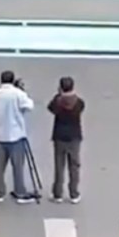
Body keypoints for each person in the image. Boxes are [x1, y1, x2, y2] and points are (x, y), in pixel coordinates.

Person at [0, 70, 36, 204]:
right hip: (16, 135)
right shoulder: (18, 94)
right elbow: (29, 106)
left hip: (0, 135)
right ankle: (20, 192)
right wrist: (22, 90)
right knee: (18, 166)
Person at [47, 76, 85, 204]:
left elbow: (50, 108)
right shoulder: (79, 102)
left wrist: (58, 95)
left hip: (59, 137)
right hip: (74, 137)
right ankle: (74, 193)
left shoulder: (58, 102)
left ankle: (58, 193)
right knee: (74, 166)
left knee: (59, 166)